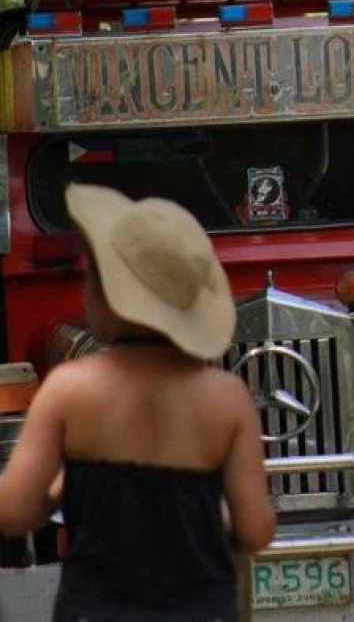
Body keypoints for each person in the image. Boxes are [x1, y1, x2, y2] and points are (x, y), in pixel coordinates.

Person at [0, 183, 273, 622]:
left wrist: (62, 491)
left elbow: (13, 512)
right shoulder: (226, 399)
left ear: (108, 300)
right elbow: (255, 530)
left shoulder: (69, 390)